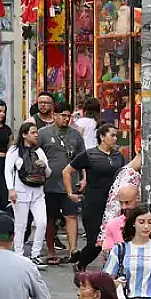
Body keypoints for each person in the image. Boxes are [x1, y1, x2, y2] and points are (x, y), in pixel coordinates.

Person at [65, 123, 125, 274]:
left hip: (113, 203)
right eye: (112, 135)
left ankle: (110, 270)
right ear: (102, 137)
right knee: (95, 241)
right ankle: (81, 263)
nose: (115, 138)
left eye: (116, 135)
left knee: (113, 239)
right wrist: (70, 193)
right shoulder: (90, 154)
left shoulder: (118, 156)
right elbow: (67, 171)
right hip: (93, 203)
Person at [39, 101, 85, 265]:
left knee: (71, 216)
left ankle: (73, 250)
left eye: (68, 116)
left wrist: (84, 178)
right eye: (63, 115)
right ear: (54, 115)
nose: (66, 119)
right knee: (50, 218)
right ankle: (51, 251)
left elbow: (83, 158)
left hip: (70, 184)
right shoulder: (43, 134)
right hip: (49, 184)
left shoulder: (75, 135)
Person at [7, 122, 51, 264]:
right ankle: (18, 253)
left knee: (42, 223)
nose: (36, 135)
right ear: (24, 134)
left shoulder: (39, 151)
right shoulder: (14, 151)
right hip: (21, 193)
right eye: (32, 132)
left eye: (36, 132)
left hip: (38, 193)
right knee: (21, 225)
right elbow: (8, 170)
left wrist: (44, 166)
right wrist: (11, 189)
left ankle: (35, 254)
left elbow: (48, 173)